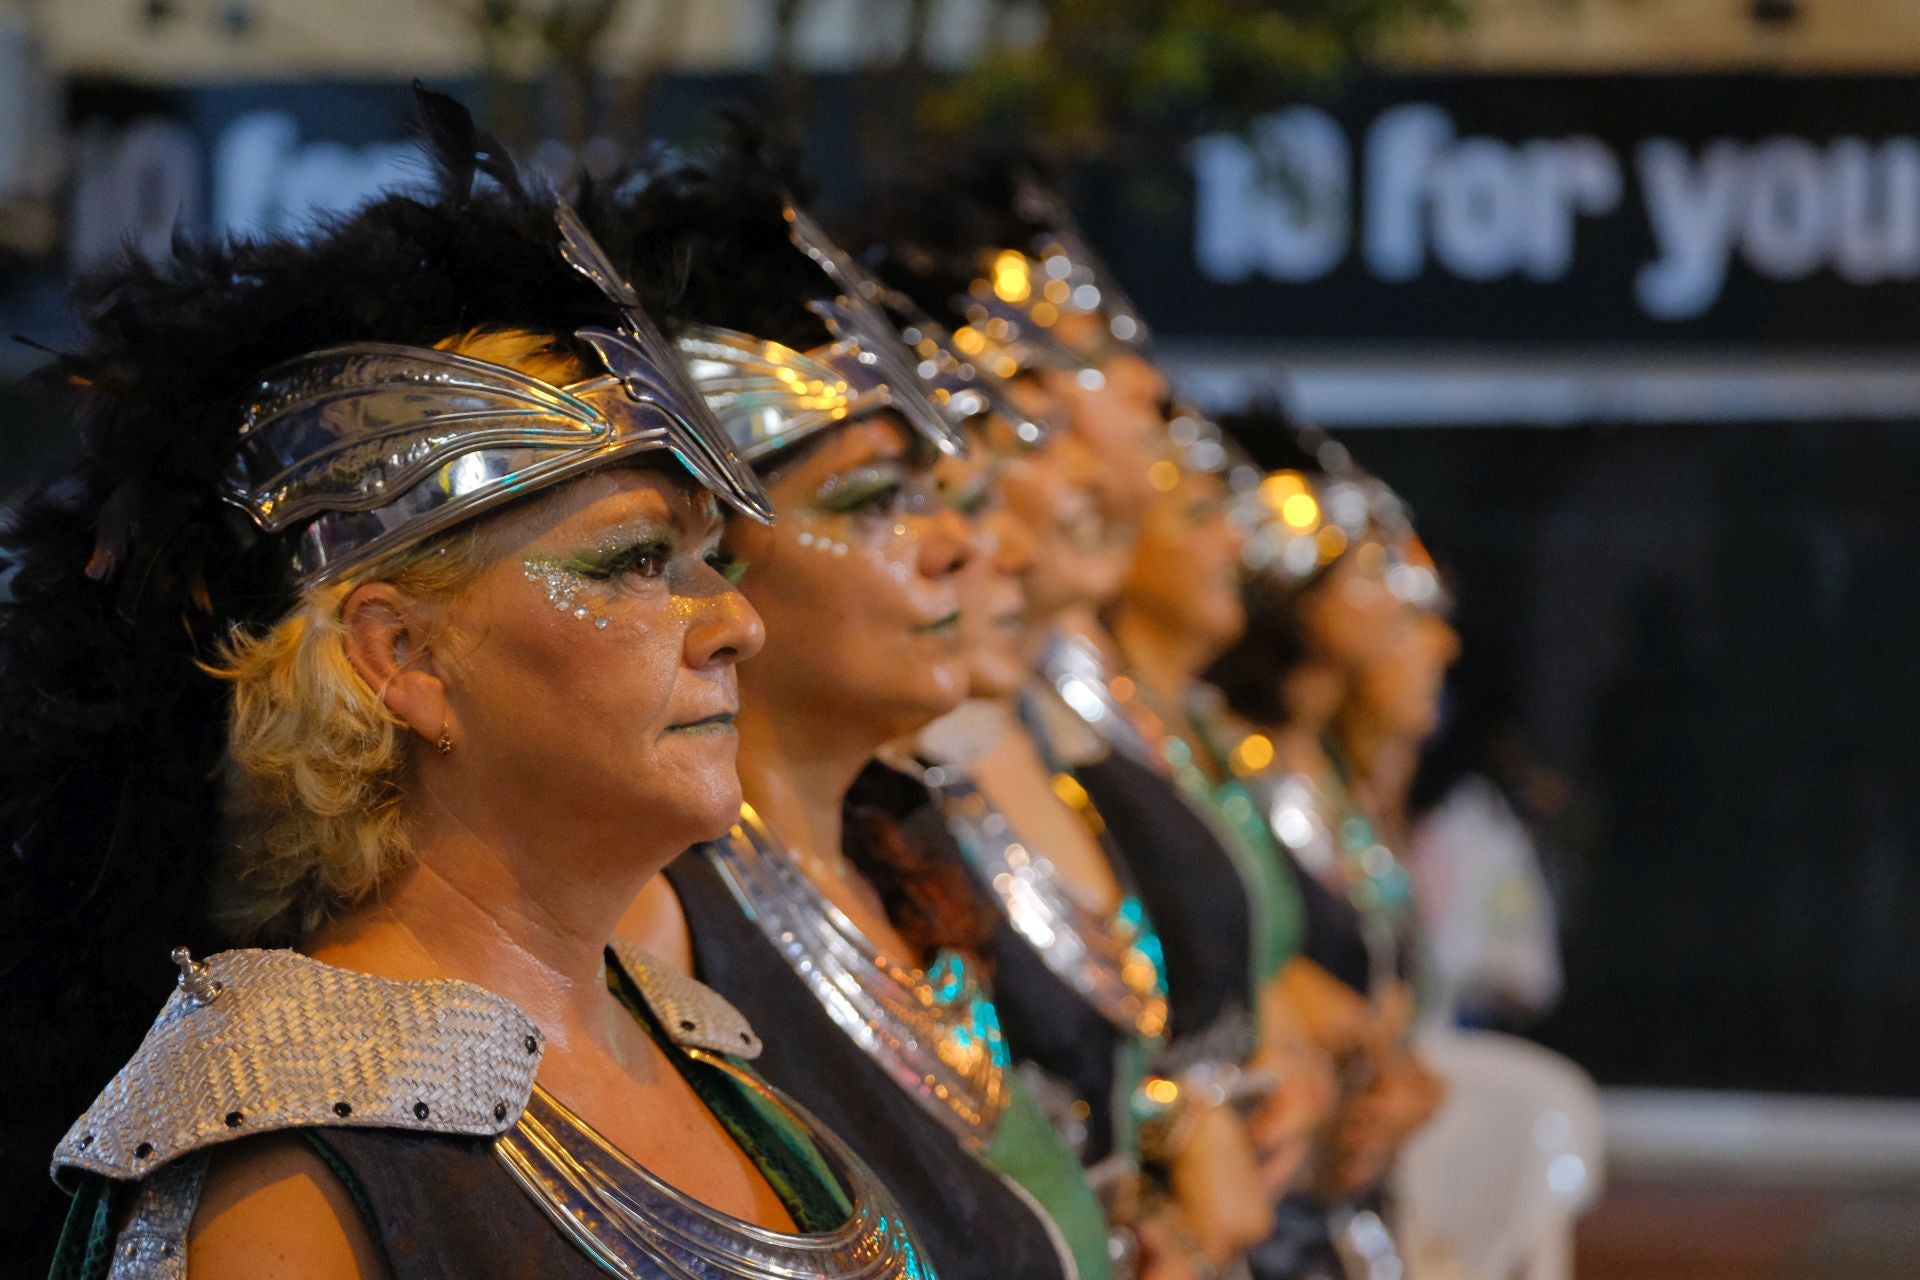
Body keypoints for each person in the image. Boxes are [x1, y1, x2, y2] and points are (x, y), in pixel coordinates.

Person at [8, 95, 927, 1280]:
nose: (737, 623)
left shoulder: (695, 1041)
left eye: (716, 563)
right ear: (404, 660)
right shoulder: (278, 1163)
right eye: (636, 562)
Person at [609, 133, 1113, 1280]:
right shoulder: (659, 925)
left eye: (943, 495)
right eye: (875, 500)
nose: (956, 548)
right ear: (720, 562)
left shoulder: (903, 847)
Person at [1200, 413, 1447, 1280]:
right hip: (1271, 1207)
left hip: (1352, 1201)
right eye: (1368, 568)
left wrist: (1407, 1081)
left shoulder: (1333, 767)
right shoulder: (1217, 760)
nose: (1403, 601)